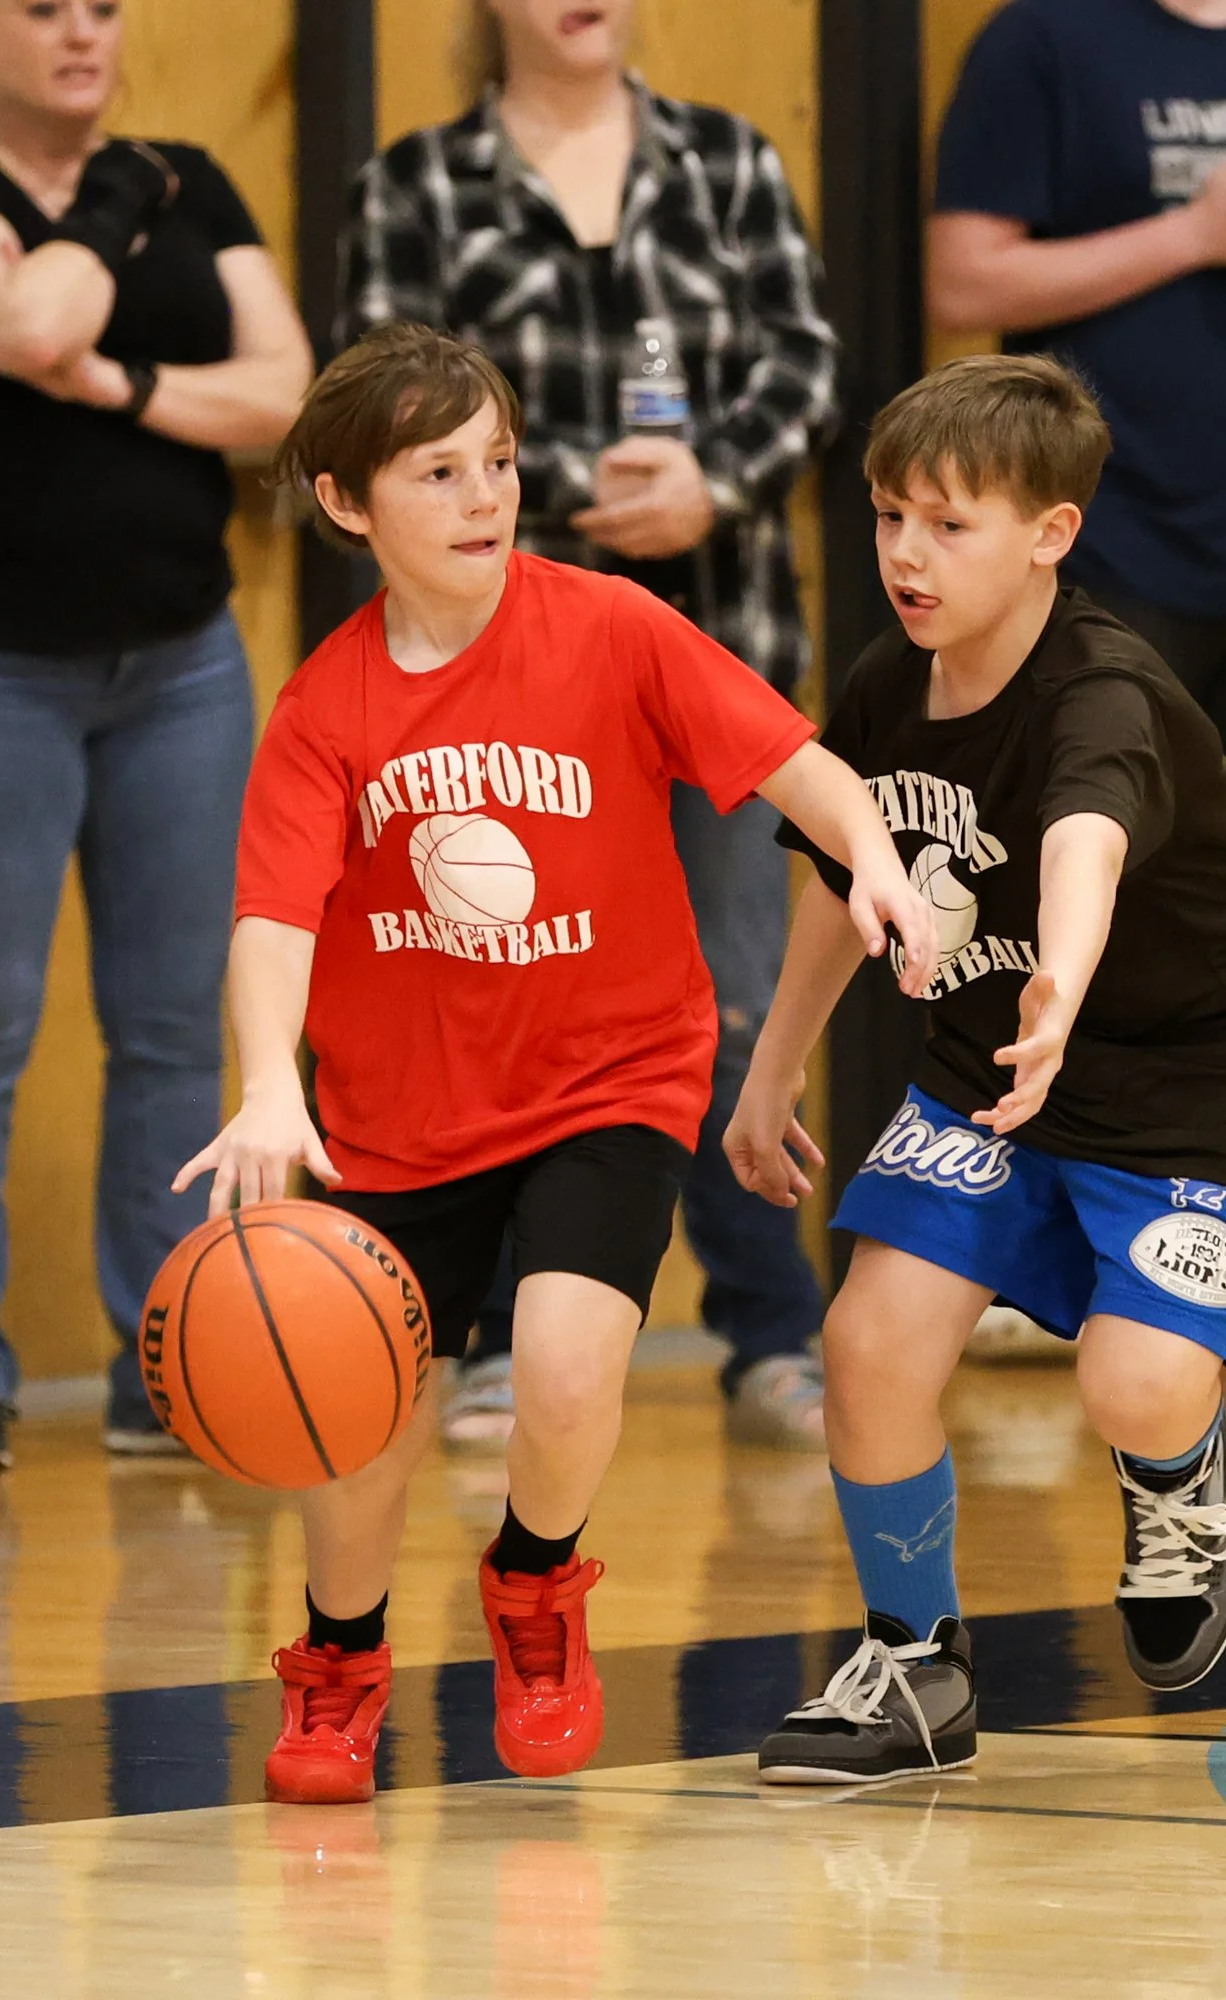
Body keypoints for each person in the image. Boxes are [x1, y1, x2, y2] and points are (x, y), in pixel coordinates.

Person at [171, 325, 935, 1804]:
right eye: (438, 472)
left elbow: (799, 761)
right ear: (346, 506)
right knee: (362, 1431)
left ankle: (534, 1590)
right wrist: (272, 1082)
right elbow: (272, 917)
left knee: (573, 1375)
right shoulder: (326, 709)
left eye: (502, 464)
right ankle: (340, 1661)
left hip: (612, 1077)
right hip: (398, 1118)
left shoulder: (614, 627)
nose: (484, 497)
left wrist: (877, 857)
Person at [729, 354, 1226, 1784]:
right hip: (1000, 1058)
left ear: (1051, 532)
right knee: (868, 1345)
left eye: (949, 525)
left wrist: (1062, 972)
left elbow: (1088, 840)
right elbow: (843, 872)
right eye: (888, 518)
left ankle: (1177, 1479)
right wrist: (771, 1073)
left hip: (1206, 1069)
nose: (906, 556)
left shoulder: (1107, 691)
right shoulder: (890, 686)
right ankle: (917, 1669)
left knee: (1131, 1385)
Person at [339, 0, 845, 1451]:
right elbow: (390, 405)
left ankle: (769, 1334)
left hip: (716, 646)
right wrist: (565, 484)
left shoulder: (728, 163)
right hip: (499, 690)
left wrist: (711, 482)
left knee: (732, 996)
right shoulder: (418, 187)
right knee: (511, 984)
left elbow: (803, 362)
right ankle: (498, 1333)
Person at [0, 0, 314, 1468]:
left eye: (103, 9)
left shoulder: (202, 175)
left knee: (180, 1022)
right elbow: (28, 319)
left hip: (178, 664)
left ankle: (167, 1358)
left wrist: (117, 386)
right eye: (41, 12)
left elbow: (288, 393)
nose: (81, 35)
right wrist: (114, 207)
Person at [928, 0, 1226, 1354]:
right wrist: (1188, 235)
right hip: (1109, 553)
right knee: (1067, 899)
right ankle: (1042, 1246)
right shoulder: (1047, 40)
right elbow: (967, 282)